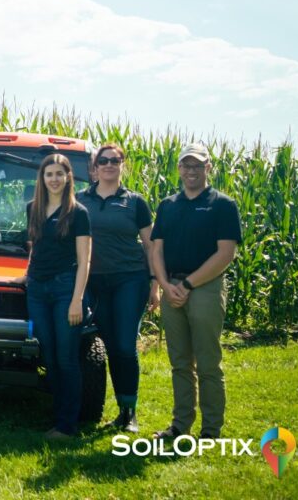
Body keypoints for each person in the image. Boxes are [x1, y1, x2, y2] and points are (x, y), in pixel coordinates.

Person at [151, 143, 241, 441]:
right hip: (172, 287)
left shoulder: (222, 205)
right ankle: (180, 425)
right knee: (179, 363)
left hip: (204, 288)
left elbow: (225, 254)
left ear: (208, 167)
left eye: (198, 165)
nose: (191, 170)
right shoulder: (168, 205)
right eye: (186, 165)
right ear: (178, 168)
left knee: (207, 362)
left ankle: (211, 430)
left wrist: (187, 285)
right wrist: (165, 286)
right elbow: (156, 249)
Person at [76, 145, 159, 433]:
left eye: (115, 160)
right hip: (93, 282)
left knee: (124, 346)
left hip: (129, 279)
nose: (109, 165)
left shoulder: (135, 202)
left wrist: (154, 283)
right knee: (107, 345)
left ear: (123, 165)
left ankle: (128, 412)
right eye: (103, 161)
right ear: (94, 167)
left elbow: (150, 245)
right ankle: (105, 408)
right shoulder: (79, 200)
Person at [12, 153, 92, 441]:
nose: (54, 179)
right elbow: (36, 247)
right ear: (42, 178)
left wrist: (76, 300)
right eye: (49, 174)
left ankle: (67, 426)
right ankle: (59, 416)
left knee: (66, 357)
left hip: (65, 288)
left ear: (68, 177)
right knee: (49, 354)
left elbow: (85, 261)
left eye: (60, 173)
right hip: (37, 289)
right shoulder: (33, 208)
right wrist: (26, 275)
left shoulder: (78, 213)